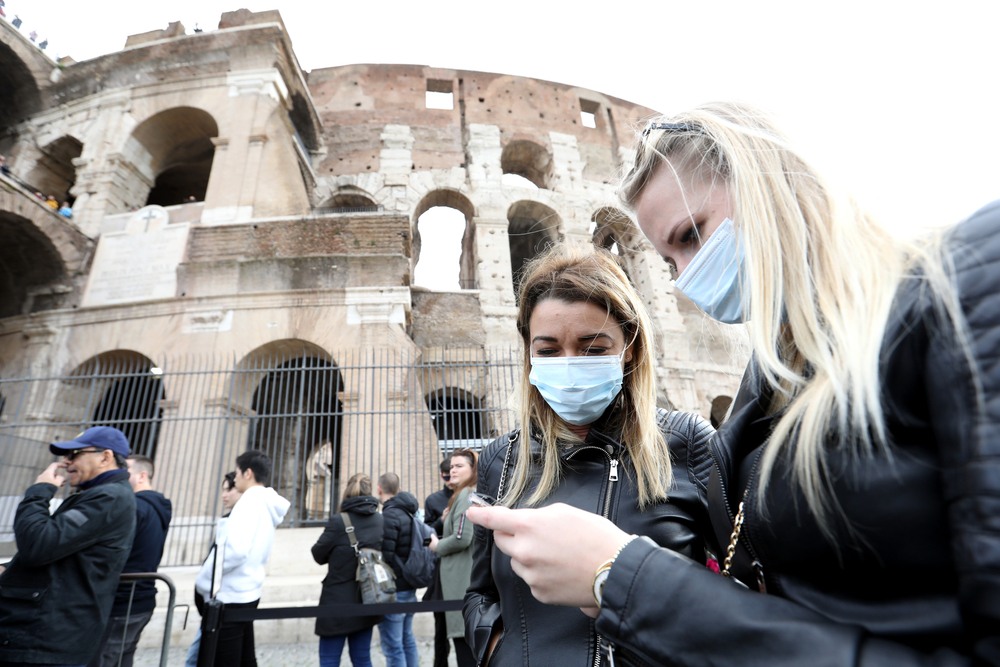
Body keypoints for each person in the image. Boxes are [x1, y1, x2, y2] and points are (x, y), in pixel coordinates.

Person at [465, 101, 1000, 666]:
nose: (689, 277)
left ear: (770, 182)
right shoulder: (766, 387)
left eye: (693, 234)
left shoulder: (964, 282)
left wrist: (622, 580)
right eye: (670, 264)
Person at [462, 244, 714, 667]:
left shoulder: (686, 443)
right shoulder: (501, 460)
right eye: (548, 350)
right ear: (529, 354)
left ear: (629, 345)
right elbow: (480, 592)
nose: (570, 364)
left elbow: (740, 586)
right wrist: (497, 651)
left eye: (593, 348)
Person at [0, 426, 137, 666]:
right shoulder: (98, 495)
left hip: (47, 638)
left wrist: (39, 491)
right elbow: (63, 552)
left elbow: (38, 544)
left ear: (105, 457)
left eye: (75, 455)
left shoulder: (109, 498)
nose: (67, 462)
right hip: (43, 632)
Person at [194, 450, 290, 666]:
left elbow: (236, 551)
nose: (234, 478)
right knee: (244, 656)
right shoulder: (265, 503)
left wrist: (205, 579)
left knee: (224, 658)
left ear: (248, 473)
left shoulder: (249, 503)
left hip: (231, 594)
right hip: (249, 589)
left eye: (237, 473)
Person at [90, 454, 173, 667]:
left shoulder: (135, 507)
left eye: (126, 469)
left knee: (104, 659)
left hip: (123, 600)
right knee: (122, 658)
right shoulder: (157, 506)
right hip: (141, 599)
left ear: (142, 475)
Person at [311, 473, 385, 667]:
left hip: (336, 600)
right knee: (362, 659)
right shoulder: (379, 520)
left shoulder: (338, 521)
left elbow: (318, 555)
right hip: (366, 597)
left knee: (329, 659)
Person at [185, 472, 243, 667]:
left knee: (195, 660)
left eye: (230, 489)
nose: (224, 495)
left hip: (221, 603)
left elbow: (225, 561)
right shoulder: (228, 520)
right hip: (217, 603)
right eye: (223, 490)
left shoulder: (238, 522)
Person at [434, 449, 479, 667]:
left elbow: (462, 537)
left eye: (459, 466)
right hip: (459, 579)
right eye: (451, 466)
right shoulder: (464, 494)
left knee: (466, 650)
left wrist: (437, 545)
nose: (452, 470)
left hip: (460, 581)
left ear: (473, 470)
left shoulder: (467, 494)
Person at [376, 472, 425, 667]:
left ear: (379, 489)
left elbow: (386, 555)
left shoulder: (389, 515)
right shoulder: (408, 512)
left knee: (393, 645)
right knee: (407, 639)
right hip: (409, 585)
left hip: (394, 587)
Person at [422, 458, 454, 667]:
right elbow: (426, 534)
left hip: (462, 566)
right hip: (441, 567)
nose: (450, 479)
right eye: (446, 475)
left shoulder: (470, 497)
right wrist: (441, 521)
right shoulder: (434, 500)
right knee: (440, 628)